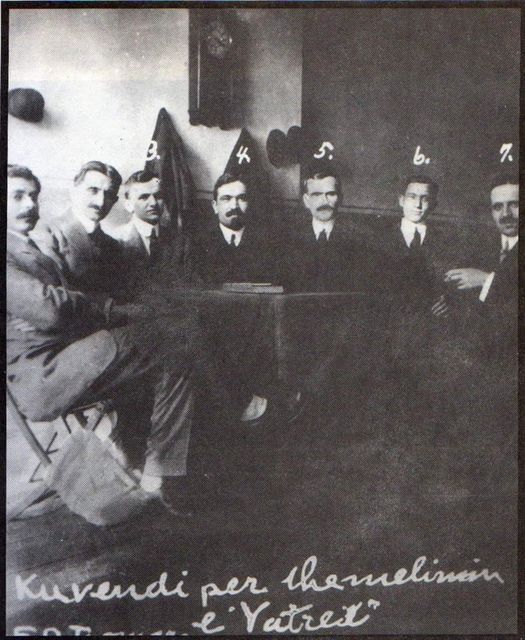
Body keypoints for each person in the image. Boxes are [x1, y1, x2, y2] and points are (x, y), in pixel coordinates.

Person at [6, 164, 203, 514]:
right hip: (43, 374)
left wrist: (57, 307)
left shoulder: (28, 247)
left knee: (174, 343)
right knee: (174, 340)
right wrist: (62, 307)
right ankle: (158, 474)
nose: (30, 205)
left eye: (33, 196)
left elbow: (55, 307)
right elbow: (51, 310)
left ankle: (151, 470)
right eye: (17, 196)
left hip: (65, 354)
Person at [444, 173, 518, 361]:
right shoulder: (480, 247)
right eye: (498, 207)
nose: (506, 214)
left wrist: (486, 280)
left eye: (514, 205)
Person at [281, 162, 378, 292]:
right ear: (306, 200)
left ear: (340, 198)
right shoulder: (288, 238)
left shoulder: (360, 238)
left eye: (331, 194)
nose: (324, 201)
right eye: (316, 194)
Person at [30, 160, 123, 296]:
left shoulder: (113, 246)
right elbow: (57, 295)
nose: (100, 202)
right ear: (73, 190)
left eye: (108, 194)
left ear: (114, 201)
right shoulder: (47, 232)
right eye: (93, 190)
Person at [190, 172, 277, 285]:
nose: (234, 206)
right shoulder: (197, 244)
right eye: (226, 199)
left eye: (241, 198)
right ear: (215, 206)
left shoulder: (268, 244)